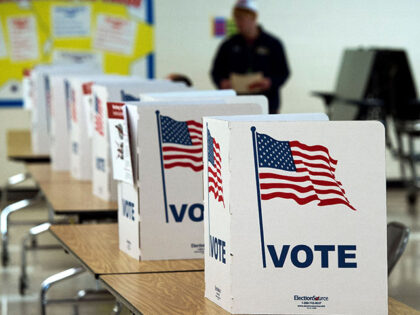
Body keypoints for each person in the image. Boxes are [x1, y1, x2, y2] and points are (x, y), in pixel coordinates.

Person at [211, 0, 290, 114]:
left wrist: (270, 82)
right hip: (236, 105)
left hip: (267, 106)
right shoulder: (228, 45)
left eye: (242, 18)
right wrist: (222, 83)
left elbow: (284, 72)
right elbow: (216, 72)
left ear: (253, 17)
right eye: (236, 18)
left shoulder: (273, 44)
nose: (238, 22)